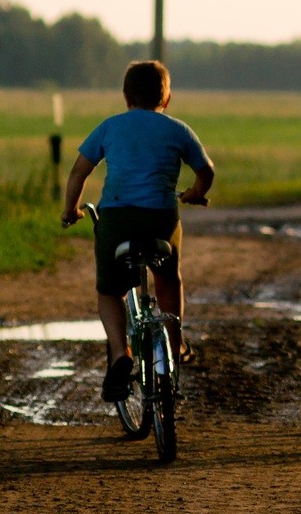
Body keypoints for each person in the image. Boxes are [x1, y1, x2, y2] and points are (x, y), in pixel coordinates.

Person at [61, 60, 214, 402]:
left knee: (109, 291)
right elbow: (207, 171)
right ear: (167, 98)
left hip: (117, 220)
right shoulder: (178, 130)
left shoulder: (110, 127)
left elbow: (78, 173)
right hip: (161, 219)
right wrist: (195, 193)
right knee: (169, 279)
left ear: (126, 96)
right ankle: (172, 350)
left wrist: (70, 210)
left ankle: (120, 354)